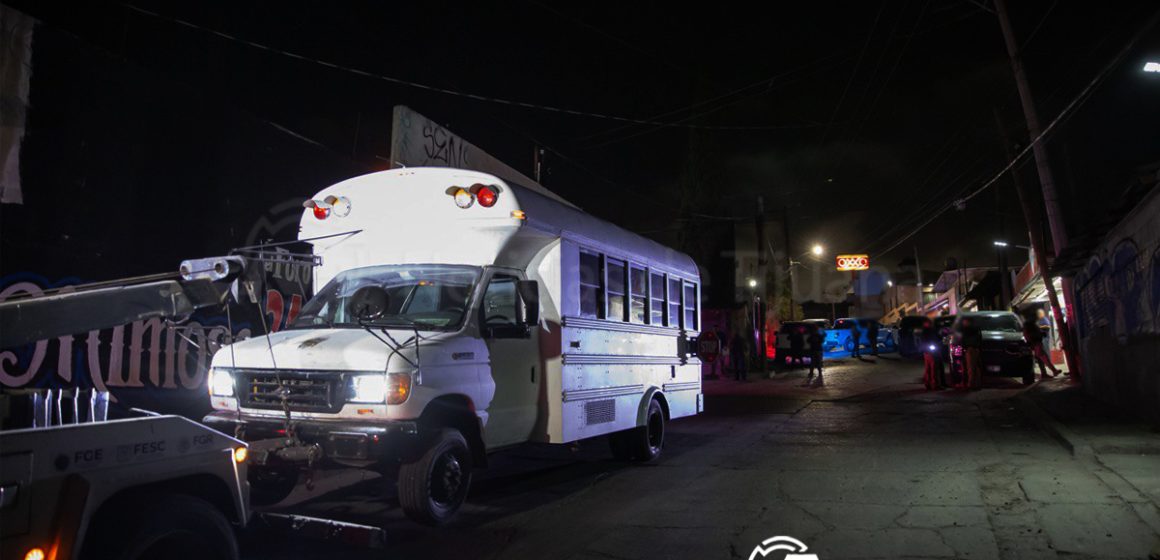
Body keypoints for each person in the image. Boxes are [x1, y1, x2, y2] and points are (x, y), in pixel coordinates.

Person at [1024, 313, 1060, 380]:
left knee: (1041, 360)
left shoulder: (1030, 325)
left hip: (1035, 344)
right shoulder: (1030, 326)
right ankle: (1054, 371)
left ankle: (1045, 374)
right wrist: (1040, 334)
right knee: (1044, 358)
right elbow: (1032, 335)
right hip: (1036, 344)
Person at [960, 317, 984, 390]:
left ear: (968, 322)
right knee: (976, 367)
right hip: (975, 349)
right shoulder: (976, 329)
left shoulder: (968, 330)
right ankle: (977, 384)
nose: (963, 323)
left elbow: (964, 340)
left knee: (971, 368)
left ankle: (971, 384)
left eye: (964, 322)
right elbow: (979, 339)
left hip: (970, 349)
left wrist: (964, 347)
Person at [920, 320, 942, 390]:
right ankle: (933, 384)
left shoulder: (929, 331)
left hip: (929, 351)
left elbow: (939, 338)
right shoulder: (927, 332)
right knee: (932, 368)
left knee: (930, 368)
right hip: (930, 351)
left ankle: (930, 384)